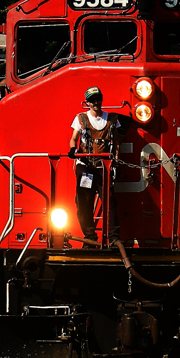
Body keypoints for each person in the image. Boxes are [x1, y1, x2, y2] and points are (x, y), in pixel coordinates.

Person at [67, 87, 121, 243]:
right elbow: (73, 138)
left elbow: (116, 143)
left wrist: (116, 160)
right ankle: (90, 237)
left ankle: (113, 238)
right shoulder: (80, 119)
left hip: (104, 166)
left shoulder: (112, 119)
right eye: (92, 100)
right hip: (85, 167)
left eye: (98, 99)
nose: (95, 102)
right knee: (84, 203)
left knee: (110, 202)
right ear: (87, 103)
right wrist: (72, 149)